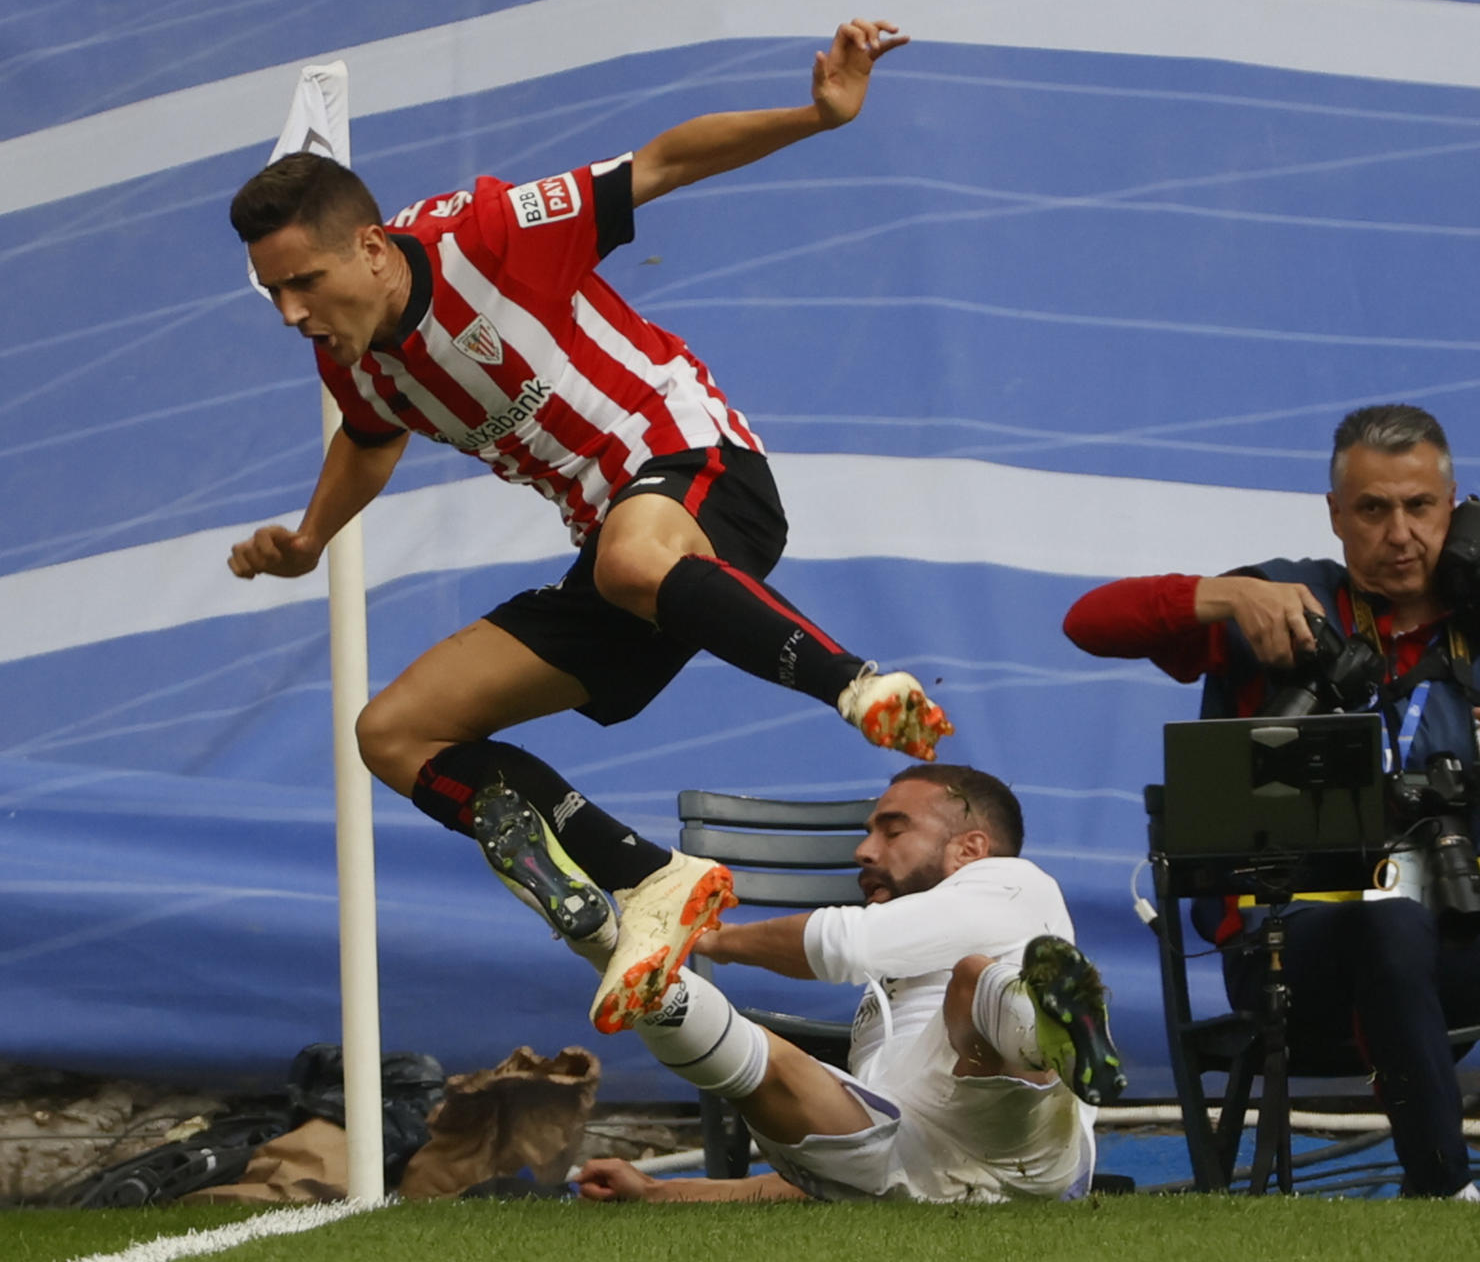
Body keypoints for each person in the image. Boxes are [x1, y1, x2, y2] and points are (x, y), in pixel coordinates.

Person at [227, 18, 951, 1034]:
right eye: (273, 293)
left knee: (628, 556)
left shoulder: (489, 232)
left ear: (374, 247)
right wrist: (307, 540)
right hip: (616, 554)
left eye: (305, 282)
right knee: (394, 733)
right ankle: (655, 878)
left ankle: (859, 682)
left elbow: (659, 160)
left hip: (698, 465)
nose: (292, 311)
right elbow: (371, 440)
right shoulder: (355, 355)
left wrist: (818, 114)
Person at [1063, 403, 1480, 1200]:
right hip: (1293, 946)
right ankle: (1444, 1195)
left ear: (1453, 505)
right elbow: (1088, 623)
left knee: (1403, 926)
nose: (1400, 533)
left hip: (1459, 932)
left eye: (1420, 507)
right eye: (1373, 509)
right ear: (1335, 516)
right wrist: (1220, 597)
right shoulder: (1283, 605)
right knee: (1386, 918)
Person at [574, 764, 1125, 1204]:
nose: (864, 851)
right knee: (772, 1067)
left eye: (894, 829)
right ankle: (609, 944)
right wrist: (660, 1191)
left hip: (1023, 1138)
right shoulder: (881, 999)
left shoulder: (1014, 883)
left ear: (971, 849)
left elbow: (845, 944)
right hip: (919, 1174)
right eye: (868, 835)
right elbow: (826, 1183)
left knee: (971, 981)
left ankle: (1044, 1035)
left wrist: (706, 939)